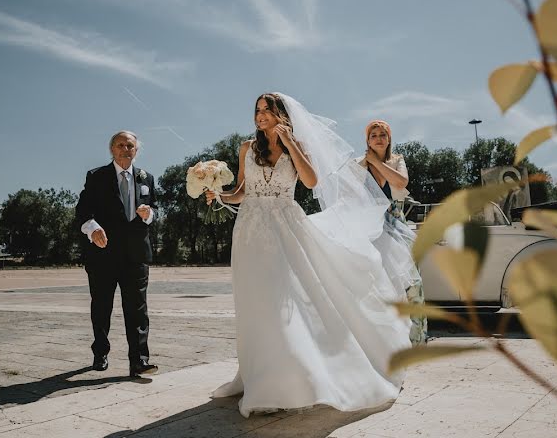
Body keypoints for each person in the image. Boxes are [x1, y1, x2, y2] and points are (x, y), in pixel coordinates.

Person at [208, 93, 411, 417]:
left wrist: (290, 143)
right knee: (255, 301)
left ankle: (280, 383)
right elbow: (242, 192)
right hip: (249, 231)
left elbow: (311, 180)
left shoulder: (296, 145)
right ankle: (256, 374)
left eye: (267, 110)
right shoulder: (247, 148)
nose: (260, 116)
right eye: (257, 111)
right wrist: (218, 193)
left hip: (286, 228)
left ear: (281, 115)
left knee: (283, 301)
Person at [75, 130, 158, 377]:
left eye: (130, 145)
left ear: (136, 150)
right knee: (102, 307)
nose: (125, 149)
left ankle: (139, 360)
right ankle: (100, 351)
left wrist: (150, 215)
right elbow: (82, 212)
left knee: (138, 310)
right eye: (120, 145)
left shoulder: (147, 178)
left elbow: (155, 209)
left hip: (136, 254)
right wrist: (93, 228)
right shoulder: (96, 177)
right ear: (112, 149)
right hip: (103, 254)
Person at [358, 120, 428, 344]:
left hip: (397, 223)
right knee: (377, 284)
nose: (378, 138)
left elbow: (401, 182)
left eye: (382, 135)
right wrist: (367, 162)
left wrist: (376, 162)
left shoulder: (397, 160)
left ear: (389, 139)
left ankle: (416, 340)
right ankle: (382, 341)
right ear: (367, 140)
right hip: (371, 227)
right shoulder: (359, 165)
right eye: (373, 135)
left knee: (411, 282)